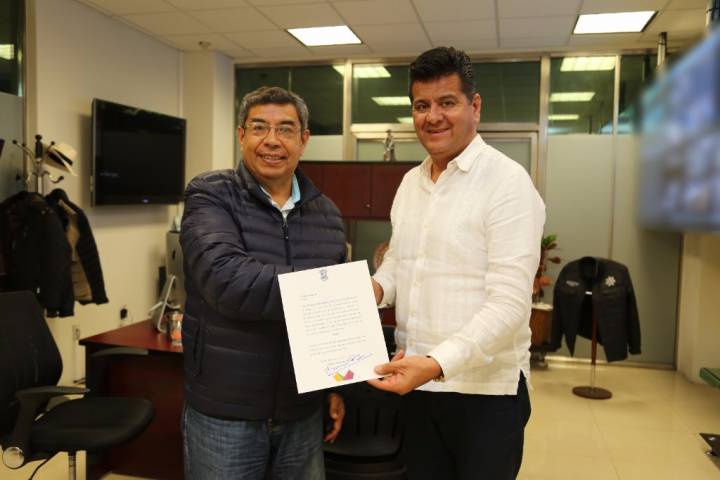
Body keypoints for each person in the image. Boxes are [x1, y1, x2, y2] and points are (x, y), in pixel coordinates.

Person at [369, 47, 546, 479]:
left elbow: (509, 305)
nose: (433, 117)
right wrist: (374, 289)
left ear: (475, 106)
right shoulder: (410, 183)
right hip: (416, 385)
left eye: (447, 102)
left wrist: (436, 363)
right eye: (421, 105)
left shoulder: (507, 183)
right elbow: (399, 263)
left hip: (485, 394)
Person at [180, 86, 347, 479]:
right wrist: (330, 290)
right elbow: (228, 282)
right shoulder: (210, 195)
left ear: (304, 139)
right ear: (241, 136)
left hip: (302, 410)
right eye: (259, 128)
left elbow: (336, 322)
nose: (272, 140)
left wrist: (336, 387)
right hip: (226, 412)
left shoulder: (328, 215)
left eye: (285, 129)